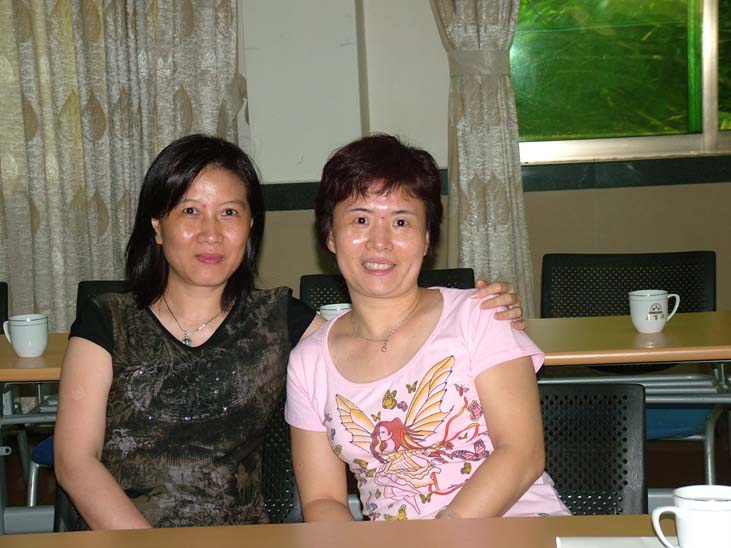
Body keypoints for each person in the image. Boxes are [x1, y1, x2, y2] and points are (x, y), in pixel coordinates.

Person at [54, 134, 525, 530]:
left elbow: (371, 331)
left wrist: (487, 309)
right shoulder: (107, 319)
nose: (211, 233)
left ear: (250, 226)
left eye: (229, 213)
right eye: (190, 211)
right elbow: (75, 461)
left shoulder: (281, 319)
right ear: (157, 226)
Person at [286, 134, 569, 521]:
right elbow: (323, 500)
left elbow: (522, 454)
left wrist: (439, 536)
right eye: (360, 220)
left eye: (401, 222)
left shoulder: (479, 316)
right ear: (330, 236)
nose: (380, 242)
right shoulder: (308, 363)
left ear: (427, 238)